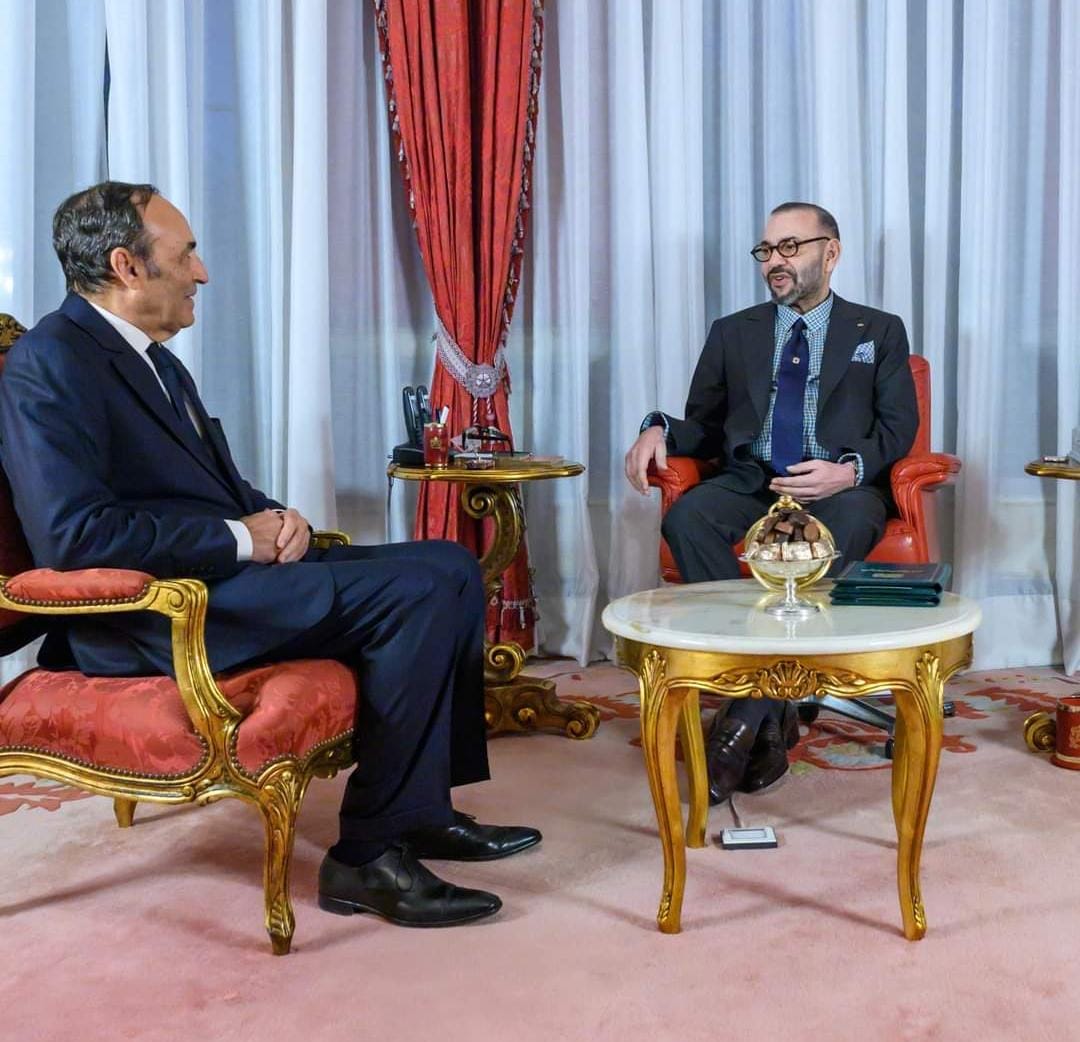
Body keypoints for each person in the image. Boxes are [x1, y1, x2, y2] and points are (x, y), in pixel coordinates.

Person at [0, 181, 541, 928]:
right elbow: (74, 537)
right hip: (154, 614)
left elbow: (210, 488)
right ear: (126, 266)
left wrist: (279, 520)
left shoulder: (156, 360)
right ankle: (367, 859)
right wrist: (237, 539)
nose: (201, 273)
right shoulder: (51, 360)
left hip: (224, 578)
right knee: (414, 594)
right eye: (186, 254)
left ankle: (420, 812)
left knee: (448, 566)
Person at [623, 202, 918, 804]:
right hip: (753, 481)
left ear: (830, 253)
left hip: (839, 488)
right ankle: (768, 701)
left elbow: (897, 427)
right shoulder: (734, 331)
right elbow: (705, 426)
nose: (774, 262)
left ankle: (743, 719)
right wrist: (658, 428)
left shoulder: (878, 330)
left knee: (852, 518)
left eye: (789, 247)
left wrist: (847, 472)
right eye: (766, 250)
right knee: (689, 516)